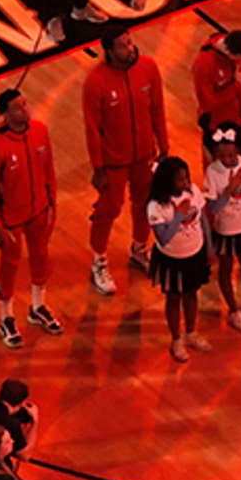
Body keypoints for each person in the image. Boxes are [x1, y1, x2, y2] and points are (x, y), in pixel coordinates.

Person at [83, 29, 167, 294]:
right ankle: (99, 260)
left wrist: (163, 147)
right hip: (113, 162)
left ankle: (140, 249)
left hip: (144, 156)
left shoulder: (148, 68)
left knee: (144, 205)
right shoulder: (96, 82)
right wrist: (98, 168)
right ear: (109, 50)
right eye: (123, 46)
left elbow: (157, 109)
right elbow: (92, 128)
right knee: (108, 211)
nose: (130, 49)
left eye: (129, 43)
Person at [0, 89, 59, 349]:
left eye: (25, 104)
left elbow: (49, 169)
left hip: (39, 211)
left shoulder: (40, 131)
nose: (25, 110)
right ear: (4, 115)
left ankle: (38, 307)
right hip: (12, 220)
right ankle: (6, 318)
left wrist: (51, 204)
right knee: (9, 268)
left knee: (41, 257)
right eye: (17, 108)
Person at [202, 123, 241, 334]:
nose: (229, 160)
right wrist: (228, 191)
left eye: (231, 154)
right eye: (223, 156)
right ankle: (233, 310)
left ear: (238, 149)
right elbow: (212, 206)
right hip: (226, 230)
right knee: (226, 267)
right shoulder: (212, 173)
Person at [145, 157, 211, 361]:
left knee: (192, 294)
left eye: (186, 178)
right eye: (180, 180)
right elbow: (163, 238)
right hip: (172, 260)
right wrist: (178, 217)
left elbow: (203, 219)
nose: (185, 183)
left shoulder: (192, 191)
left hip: (195, 254)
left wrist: (209, 247)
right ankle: (176, 339)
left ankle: (191, 332)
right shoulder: (156, 206)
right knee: (174, 299)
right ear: (167, 181)